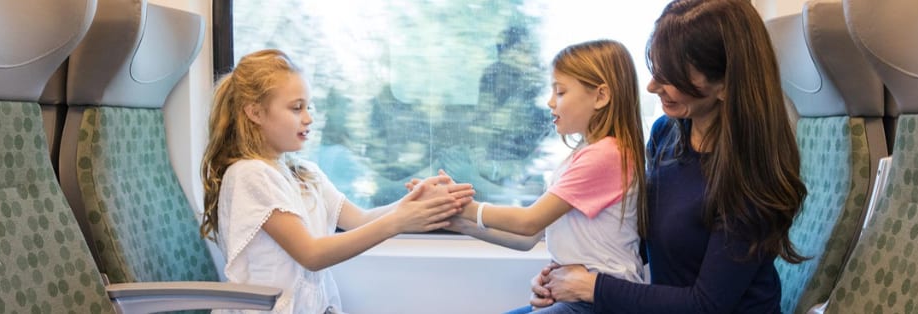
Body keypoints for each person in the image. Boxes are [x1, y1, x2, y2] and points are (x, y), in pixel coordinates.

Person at [527, 0, 808, 313]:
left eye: (671, 76)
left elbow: (705, 305)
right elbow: (643, 244)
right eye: (655, 70)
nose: (651, 86)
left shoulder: (752, 179)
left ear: (725, 85)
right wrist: (564, 275)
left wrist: (592, 286)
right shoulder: (667, 135)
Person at [198, 49, 473, 313]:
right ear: (255, 113)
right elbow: (311, 254)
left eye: (309, 107)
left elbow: (361, 220)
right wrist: (399, 221)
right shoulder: (250, 175)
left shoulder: (303, 173)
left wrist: (414, 201)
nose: (309, 118)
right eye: (296, 108)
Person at [426, 39, 649, 313]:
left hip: (599, 304)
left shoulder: (607, 155)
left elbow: (528, 222)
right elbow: (528, 239)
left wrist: (462, 205)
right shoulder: (583, 155)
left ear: (601, 96)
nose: (550, 101)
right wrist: (460, 224)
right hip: (576, 299)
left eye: (561, 92)